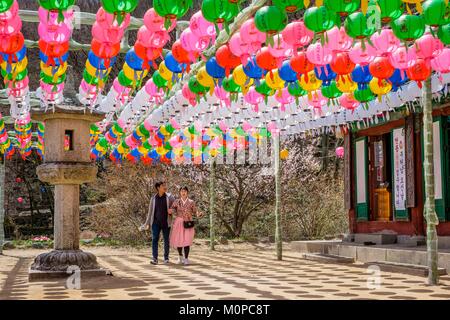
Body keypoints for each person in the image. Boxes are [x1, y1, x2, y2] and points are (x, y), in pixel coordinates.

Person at [141, 181, 175, 265]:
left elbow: (175, 207)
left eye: (165, 185)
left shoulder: (170, 197)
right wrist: (147, 223)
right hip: (155, 222)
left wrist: (172, 211)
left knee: (166, 240)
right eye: (163, 186)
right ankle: (155, 258)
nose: (165, 187)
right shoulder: (153, 198)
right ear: (158, 188)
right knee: (154, 239)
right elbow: (150, 212)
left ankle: (166, 258)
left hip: (166, 222)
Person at [169, 187, 203, 265]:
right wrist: (171, 211)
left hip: (188, 222)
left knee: (187, 240)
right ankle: (180, 256)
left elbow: (195, 211)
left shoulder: (191, 202)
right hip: (179, 222)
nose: (183, 192)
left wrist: (198, 214)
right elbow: (173, 209)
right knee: (179, 240)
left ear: (187, 192)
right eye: (181, 191)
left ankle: (186, 258)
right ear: (180, 192)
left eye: (185, 191)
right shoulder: (177, 201)